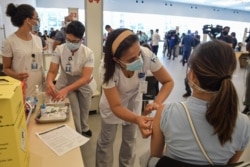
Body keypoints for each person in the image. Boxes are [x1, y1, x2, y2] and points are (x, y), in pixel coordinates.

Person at [150, 40, 250, 166]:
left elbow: (156, 155)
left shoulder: (166, 112)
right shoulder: (244, 123)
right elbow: (231, 163)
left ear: (192, 76)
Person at [96, 28, 174, 167]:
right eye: (131, 59)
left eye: (138, 53)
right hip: (112, 107)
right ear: (116, 59)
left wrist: (157, 102)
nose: (138, 59)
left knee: (130, 141)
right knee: (106, 142)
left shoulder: (146, 55)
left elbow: (168, 81)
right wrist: (138, 119)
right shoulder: (107, 68)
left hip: (133, 102)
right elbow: (116, 106)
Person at [46, 21, 96, 137]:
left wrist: (67, 89)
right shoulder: (59, 49)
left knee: (84, 109)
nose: (70, 43)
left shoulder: (88, 53)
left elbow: (85, 78)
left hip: (84, 82)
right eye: (68, 40)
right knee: (74, 110)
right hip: (66, 80)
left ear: (81, 39)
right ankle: (77, 134)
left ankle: (84, 127)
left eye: (74, 41)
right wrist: (49, 82)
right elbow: (52, 71)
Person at [1, 3, 44, 97]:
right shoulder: (9, 41)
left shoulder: (37, 39)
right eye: (36, 18)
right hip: (22, 87)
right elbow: (6, 68)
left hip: (39, 86)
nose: (37, 21)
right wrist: (16, 75)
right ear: (28, 20)